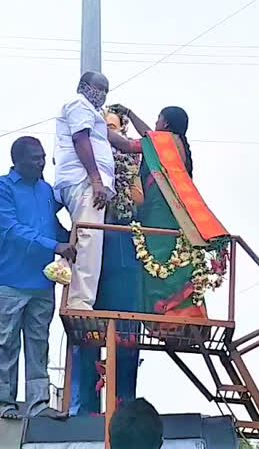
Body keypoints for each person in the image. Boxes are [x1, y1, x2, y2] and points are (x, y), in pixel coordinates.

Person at [0, 136, 75, 420]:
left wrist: (75, 240)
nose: (41, 162)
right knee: (6, 341)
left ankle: (38, 405)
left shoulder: (46, 191)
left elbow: (52, 227)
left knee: (39, 342)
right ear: (17, 160)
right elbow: (12, 229)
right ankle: (6, 404)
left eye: (43, 157)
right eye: (34, 158)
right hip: (9, 280)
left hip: (42, 282)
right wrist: (54, 246)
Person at [71, 105, 143, 416]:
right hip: (92, 253)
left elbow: (139, 199)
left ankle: (123, 404)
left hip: (124, 252)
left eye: (113, 127)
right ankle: (84, 407)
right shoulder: (86, 163)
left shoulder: (133, 161)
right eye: (103, 127)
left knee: (126, 336)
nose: (108, 131)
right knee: (86, 334)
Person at [108, 106, 203, 319]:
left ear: (166, 124)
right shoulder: (171, 144)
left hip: (161, 213)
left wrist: (97, 124)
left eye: (159, 119)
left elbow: (126, 145)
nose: (156, 122)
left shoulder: (164, 143)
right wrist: (130, 114)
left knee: (159, 257)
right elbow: (149, 136)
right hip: (169, 211)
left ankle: (169, 314)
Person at [54, 71, 115, 310]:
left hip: (86, 182)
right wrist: (96, 180)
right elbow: (81, 139)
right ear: (83, 86)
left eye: (105, 91)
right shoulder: (79, 104)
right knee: (90, 238)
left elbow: (119, 142)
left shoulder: (93, 113)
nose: (101, 94)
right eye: (98, 88)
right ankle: (80, 302)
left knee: (87, 238)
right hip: (85, 181)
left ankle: (80, 298)